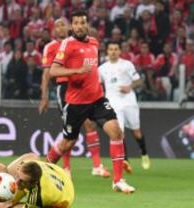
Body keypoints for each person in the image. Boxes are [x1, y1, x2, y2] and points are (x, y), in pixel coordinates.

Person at [47, 10, 135, 193]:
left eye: (82, 22)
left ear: (87, 25)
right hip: (76, 103)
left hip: (97, 99)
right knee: (67, 143)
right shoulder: (67, 45)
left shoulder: (94, 43)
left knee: (116, 131)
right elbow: (53, 72)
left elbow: (93, 70)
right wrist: (77, 71)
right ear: (72, 26)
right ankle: (44, 169)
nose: (79, 26)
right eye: (76, 23)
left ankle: (117, 181)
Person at [38, 18, 109, 178]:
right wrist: (44, 97)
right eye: (57, 26)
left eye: (63, 24)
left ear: (69, 27)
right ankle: (66, 168)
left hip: (84, 88)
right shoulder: (51, 47)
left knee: (90, 125)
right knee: (70, 133)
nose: (60, 28)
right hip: (65, 89)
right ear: (54, 30)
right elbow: (46, 74)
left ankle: (97, 166)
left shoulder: (83, 42)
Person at [0, 154, 116, 208]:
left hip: (65, 194)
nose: (17, 181)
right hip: (60, 175)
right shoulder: (27, 166)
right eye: (19, 177)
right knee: (31, 157)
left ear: (33, 184)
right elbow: (29, 161)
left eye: (22, 181)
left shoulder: (38, 196)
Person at [99, 42, 151, 170]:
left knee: (136, 132)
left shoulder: (127, 65)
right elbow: (97, 85)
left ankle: (144, 153)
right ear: (107, 51)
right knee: (119, 131)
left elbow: (139, 81)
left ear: (120, 51)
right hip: (113, 103)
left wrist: (130, 87)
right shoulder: (101, 69)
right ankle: (125, 160)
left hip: (129, 102)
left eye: (116, 49)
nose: (113, 52)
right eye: (110, 49)